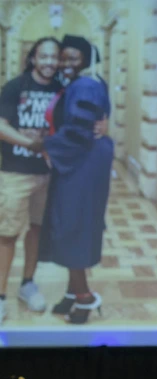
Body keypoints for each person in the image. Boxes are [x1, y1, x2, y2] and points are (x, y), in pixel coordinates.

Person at [38, 34, 114, 324]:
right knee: (73, 222)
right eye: (63, 58)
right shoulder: (80, 83)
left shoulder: (85, 85)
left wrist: (46, 146)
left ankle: (84, 297)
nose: (66, 63)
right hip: (81, 162)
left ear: (84, 59)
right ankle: (72, 292)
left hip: (81, 163)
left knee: (74, 225)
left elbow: (81, 130)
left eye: (73, 59)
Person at [0, 37, 62, 323]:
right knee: (7, 234)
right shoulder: (15, 87)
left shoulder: (62, 90)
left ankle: (27, 284)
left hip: (47, 174)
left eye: (54, 57)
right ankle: (0, 296)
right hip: (15, 172)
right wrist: (31, 144)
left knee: (36, 230)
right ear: (34, 58)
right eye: (44, 56)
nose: (49, 62)